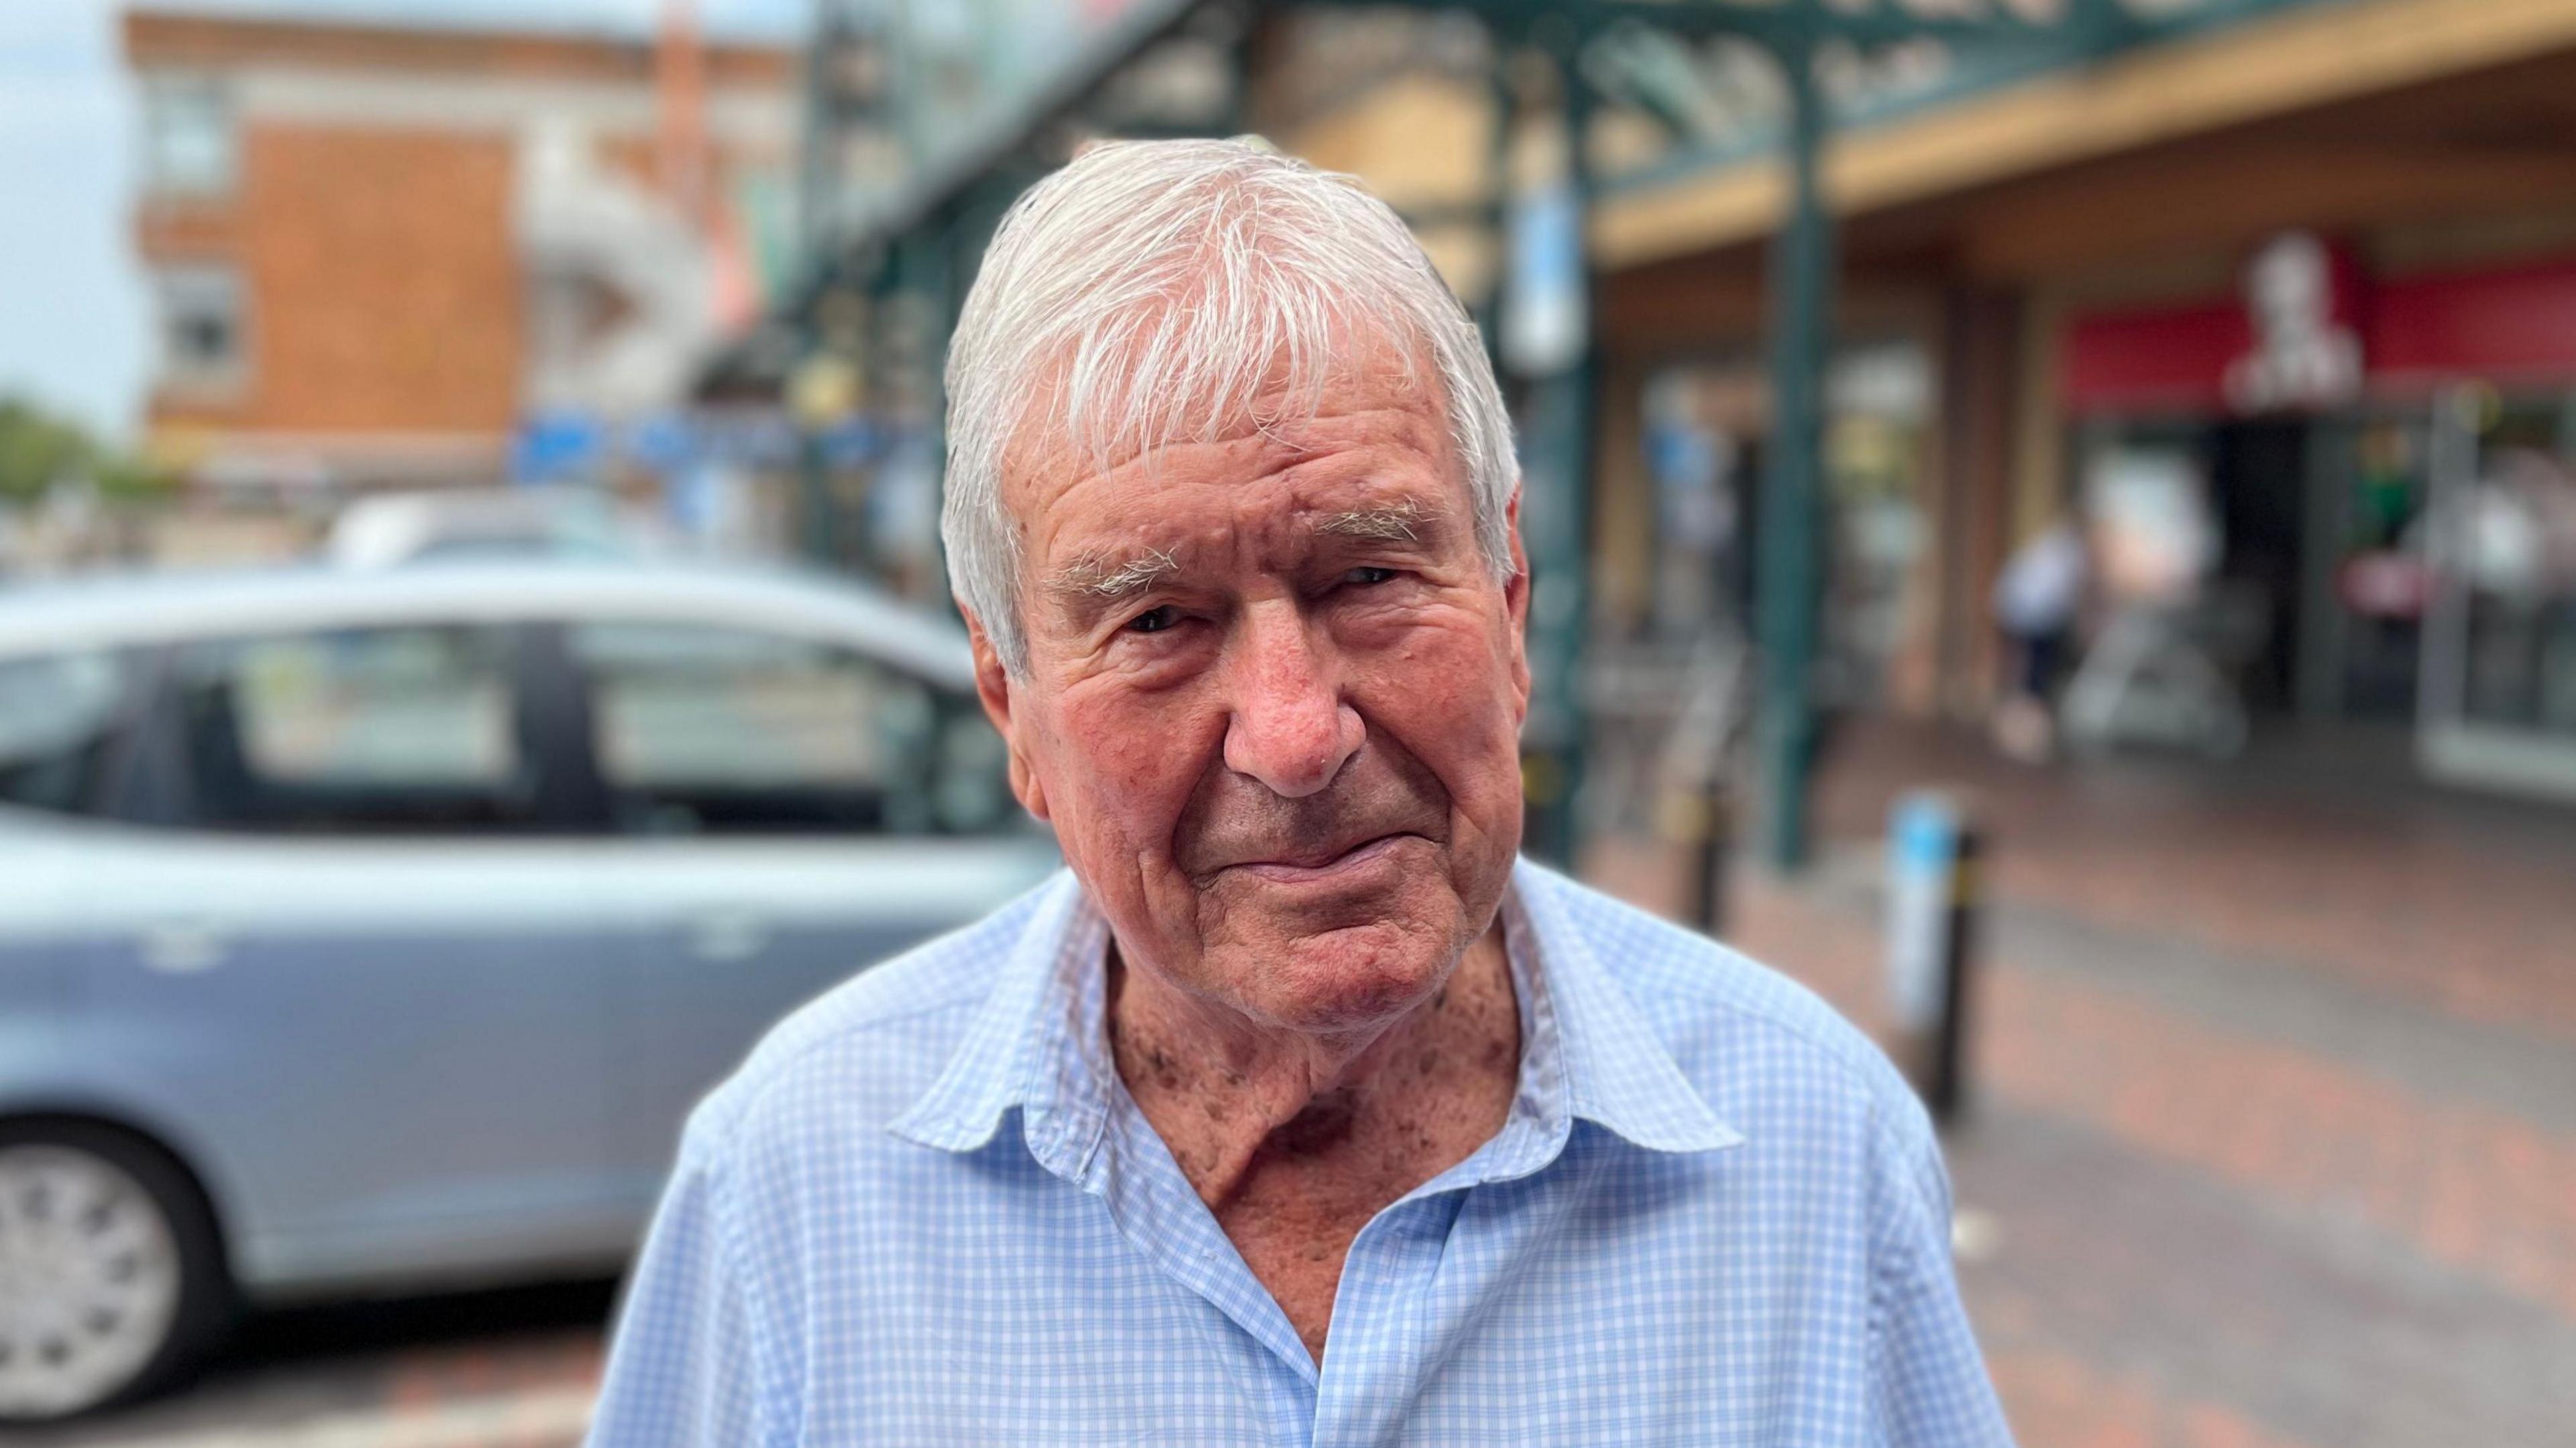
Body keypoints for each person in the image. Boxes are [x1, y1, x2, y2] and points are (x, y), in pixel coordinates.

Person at [586, 138, 2012, 1446]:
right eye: (1156, 623)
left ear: (1510, 606)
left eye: (1373, 576)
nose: (1294, 736)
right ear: (1010, 703)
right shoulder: (794, 1185)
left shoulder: (1814, 1151)